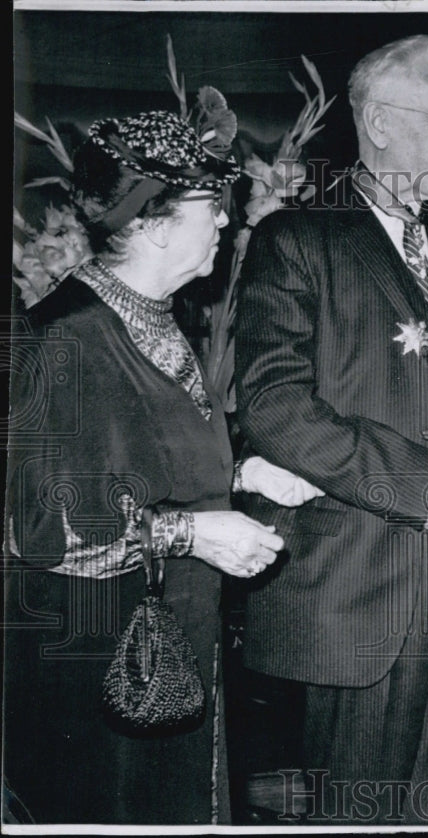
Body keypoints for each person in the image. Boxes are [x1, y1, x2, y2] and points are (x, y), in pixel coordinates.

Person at [3, 110, 321, 825]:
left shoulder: (158, 318)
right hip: (93, 666)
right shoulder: (66, 338)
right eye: (213, 207)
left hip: (168, 646)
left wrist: (242, 471)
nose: (228, 222)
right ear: (153, 224)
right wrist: (191, 534)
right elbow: (42, 528)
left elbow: (136, 453)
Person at [234, 35, 428, 825]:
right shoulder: (297, 240)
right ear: (382, 122)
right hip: (363, 591)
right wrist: (424, 486)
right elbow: (273, 405)